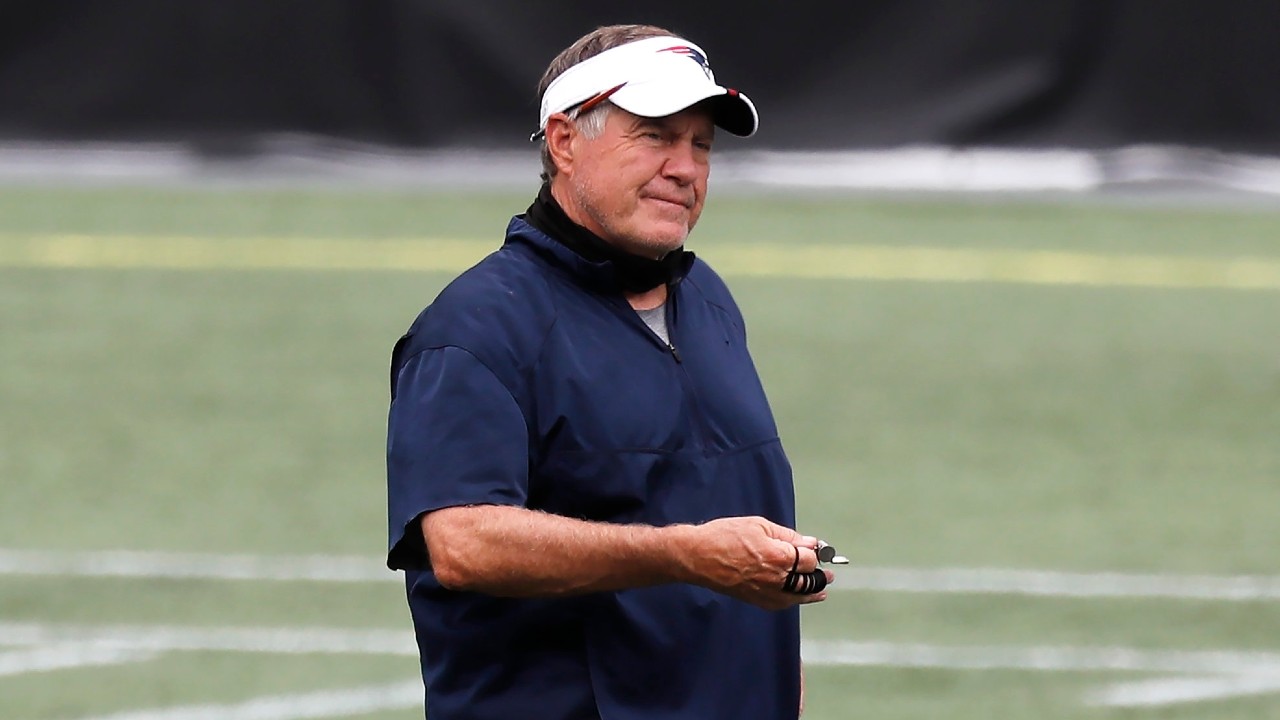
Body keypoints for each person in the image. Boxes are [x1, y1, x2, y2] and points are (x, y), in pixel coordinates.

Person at [386, 23, 834, 720]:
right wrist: (683, 555)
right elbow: (463, 542)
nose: (685, 168)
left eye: (701, 145)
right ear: (564, 141)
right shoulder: (475, 328)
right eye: (655, 136)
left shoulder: (705, 299)